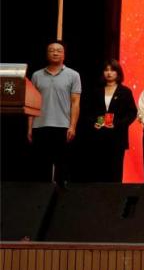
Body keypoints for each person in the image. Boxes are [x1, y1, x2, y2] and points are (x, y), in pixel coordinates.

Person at [28, 40, 82, 184]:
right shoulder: (36, 75)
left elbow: (75, 103)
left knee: (62, 168)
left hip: (63, 125)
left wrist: (73, 126)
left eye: (59, 50)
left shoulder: (73, 75)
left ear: (64, 55)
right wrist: (30, 127)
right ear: (47, 54)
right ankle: (41, 196)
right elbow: (31, 104)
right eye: (51, 50)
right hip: (40, 125)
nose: (55, 53)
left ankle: (62, 196)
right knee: (41, 168)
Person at [80, 59, 137, 182]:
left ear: (118, 73)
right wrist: (93, 122)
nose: (109, 73)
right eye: (106, 70)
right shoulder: (96, 90)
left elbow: (132, 113)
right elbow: (86, 111)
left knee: (115, 171)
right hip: (98, 135)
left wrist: (117, 124)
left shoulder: (125, 92)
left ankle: (115, 194)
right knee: (99, 170)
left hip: (117, 136)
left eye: (112, 70)